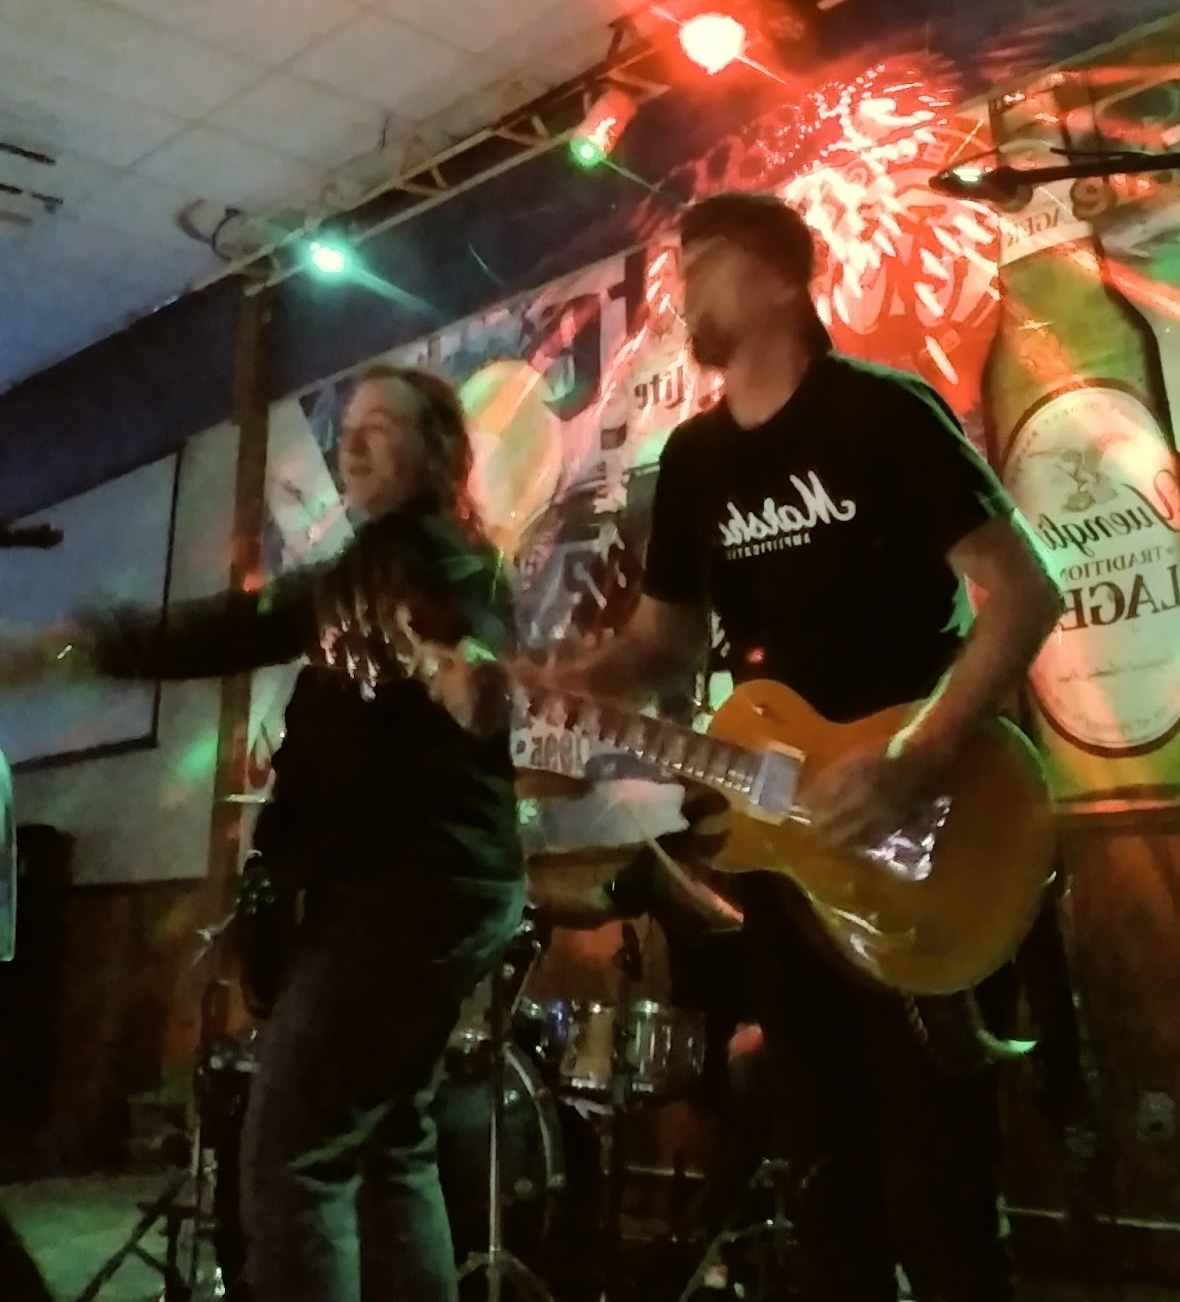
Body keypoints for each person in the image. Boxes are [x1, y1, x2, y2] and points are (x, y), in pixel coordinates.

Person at [424, 193, 1061, 1302]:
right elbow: (660, 648)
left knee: (941, 1187)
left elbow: (1024, 594)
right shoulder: (696, 461)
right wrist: (538, 681)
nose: (678, 289)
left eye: (701, 261)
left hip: (928, 821)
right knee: (822, 1178)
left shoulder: (882, 412)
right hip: (783, 851)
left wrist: (915, 756)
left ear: (779, 275)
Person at [0, 364, 525, 1302]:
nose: (351, 441)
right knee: (389, 1143)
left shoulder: (436, 559)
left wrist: (470, 674)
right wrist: (75, 647)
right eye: (347, 425)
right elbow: (238, 626)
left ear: (440, 453)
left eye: (380, 424)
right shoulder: (365, 572)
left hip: (408, 894)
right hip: (431, 890)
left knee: (293, 1153)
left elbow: (465, 643)